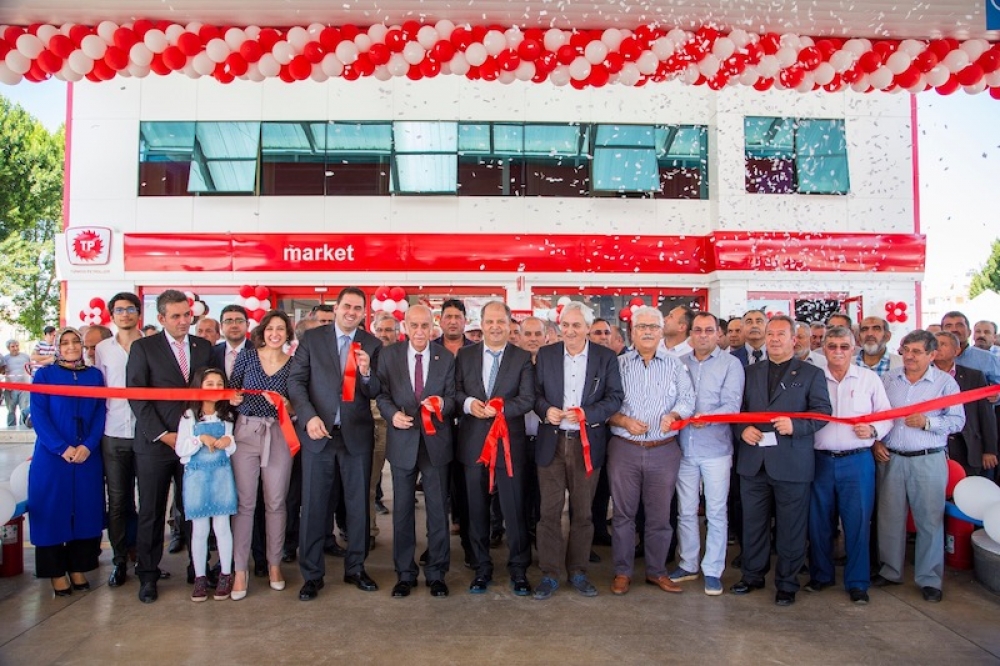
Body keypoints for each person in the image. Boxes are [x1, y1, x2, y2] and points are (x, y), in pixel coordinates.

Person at [731, 315, 832, 606]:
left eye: (780, 334)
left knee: (791, 528)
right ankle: (752, 575)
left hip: (791, 462)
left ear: (793, 340)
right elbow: (736, 409)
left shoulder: (811, 373)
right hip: (753, 461)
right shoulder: (749, 372)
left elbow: (822, 412)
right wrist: (742, 429)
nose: (774, 339)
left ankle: (787, 583)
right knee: (753, 524)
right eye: (770, 334)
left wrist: (796, 426)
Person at [288, 287, 382, 601]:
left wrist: (367, 374)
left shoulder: (372, 343)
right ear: (337, 307)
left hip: (356, 437)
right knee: (314, 506)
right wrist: (308, 417)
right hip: (319, 435)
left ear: (363, 313)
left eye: (358, 308)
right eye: (347, 306)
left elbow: (377, 390)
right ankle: (312, 575)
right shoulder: (313, 339)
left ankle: (356, 568)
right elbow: (296, 381)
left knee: (358, 506)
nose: (351, 312)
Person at [127, 289, 214, 603]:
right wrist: (164, 434)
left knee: (194, 509)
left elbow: (210, 392)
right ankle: (148, 575)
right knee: (151, 511)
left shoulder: (204, 347)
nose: (182, 321)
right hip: (156, 444)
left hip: (194, 443)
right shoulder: (144, 347)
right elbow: (137, 396)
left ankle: (198, 569)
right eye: (175, 316)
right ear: (161, 318)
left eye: (186, 315)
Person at [532, 302, 623, 600]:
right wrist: (545, 410)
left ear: (587, 327)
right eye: (565, 325)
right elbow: (535, 394)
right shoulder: (546, 354)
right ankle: (549, 573)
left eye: (576, 325)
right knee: (548, 512)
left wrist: (588, 413)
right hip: (552, 442)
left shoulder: (605, 358)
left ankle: (578, 571)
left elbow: (615, 398)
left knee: (583, 513)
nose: (570, 331)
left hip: (587, 442)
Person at [607, 306, 695, 596]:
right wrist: (623, 420)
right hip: (625, 449)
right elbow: (605, 403)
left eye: (653, 327)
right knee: (623, 515)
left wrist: (675, 415)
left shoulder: (674, 364)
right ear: (632, 332)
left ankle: (657, 571)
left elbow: (688, 399)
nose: (647, 332)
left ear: (661, 331)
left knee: (659, 516)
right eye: (641, 327)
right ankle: (623, 571)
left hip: (663, 450)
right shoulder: (618, 364)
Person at [873, 329, 965, 603]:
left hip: (928, 459)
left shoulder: (945, 384)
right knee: (889, 519)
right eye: (906, 350)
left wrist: (928, 422)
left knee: (929, 521)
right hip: (891, 458)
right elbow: (877, 415)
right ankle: (890, 571)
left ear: (932, 355)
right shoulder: (889, 379)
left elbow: (957, 421)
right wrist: (876, 441)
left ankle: (929, 579)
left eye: (916, 352)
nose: (909, 356)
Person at [806, 326, 893, 605]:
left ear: (853, 349)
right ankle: (821, 575)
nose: (838, 352)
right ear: (824, 349)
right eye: (832, 346)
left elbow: (886, 415)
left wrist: (874, 430)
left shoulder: (868, 379)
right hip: (819, 460)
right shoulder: (813, 378)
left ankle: (857, 582)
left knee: (858, 523)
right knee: (818, 522)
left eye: (844, 346)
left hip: (857, 461)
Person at [455, 300, 536, 595]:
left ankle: (519, 569)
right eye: (489, 321)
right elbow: (455, 391)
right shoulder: (465, 355)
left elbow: (527, 398)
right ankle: (481, 567)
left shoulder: (521, 357)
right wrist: (469, 404)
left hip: (509, 445)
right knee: (476, 509)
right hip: (473, 443)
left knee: (514, 510)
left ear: (510, 323)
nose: (495, 327)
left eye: (501, 321)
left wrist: (501, 408)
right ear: (481, 324)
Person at [377, 304, 456, 598]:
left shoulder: (445, 357)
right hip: (403, 441)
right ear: (405, 327)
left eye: (425, 325)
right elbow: (381, 394)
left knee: (437, 511)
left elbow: (453, 398)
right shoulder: (389, 356)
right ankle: (405, 574)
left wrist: (442, 404)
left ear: (432, 327)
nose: (420, 331)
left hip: (436, 444)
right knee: (402, 512)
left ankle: (437, 574)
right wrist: (391, 414)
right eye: (414, 325)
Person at [27, 327, 106, 596]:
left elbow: (100, 413)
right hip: (53, 456)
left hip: (86, 456)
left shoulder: (94, 376)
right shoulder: (44, 375)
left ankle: (78, 567)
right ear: (57, 347)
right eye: (65, 342)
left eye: (75, 342)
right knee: (52, 511)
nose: (71, 346)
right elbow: (39, 415)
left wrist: (88, 445)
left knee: (85, 511)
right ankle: (56, 573)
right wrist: (61, 447)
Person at [670, 312, 744, 596]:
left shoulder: (731, 364)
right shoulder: (678, 363)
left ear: (717, 334)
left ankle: (713, 570)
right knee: (686, 511)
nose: (703, 335)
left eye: (709, 330)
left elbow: (732, 406)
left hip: (716, 450)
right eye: (698, 330)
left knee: (716, 512)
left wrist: (708, 418)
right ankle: (688, 564)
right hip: (684, 449)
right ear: (690, 334)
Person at [228, 311, 296, 599]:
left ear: (288, 333)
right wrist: (232, 397)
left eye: (281, 329)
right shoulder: (247, 356)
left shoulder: (294, 363)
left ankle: (274, 565)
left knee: (276, 502)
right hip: (246, 432)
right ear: (262, 331)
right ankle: (240, 569)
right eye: (270, 328)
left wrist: (286, 404)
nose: (275, 333)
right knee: (245, 503)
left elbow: (297, 404)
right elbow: (231, 390)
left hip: (279, 433)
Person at [175, 368, 237, 601]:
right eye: (209, 383)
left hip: (221, 476)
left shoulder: (226, 416)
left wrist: (227, 441)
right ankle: (200, 576)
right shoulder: (188, 416)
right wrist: (199, 439)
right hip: (197, 479)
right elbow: (181, 449)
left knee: (222, 527)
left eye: (220, 384)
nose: (215, 388)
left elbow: (231, 447)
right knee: (200, 529)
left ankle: (225, 574)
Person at [94, 292, 143, 588]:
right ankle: (120, 560)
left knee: (148, 501)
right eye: (119, 310)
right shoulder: (102, 349)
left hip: (146, 433)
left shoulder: (150, 344)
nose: (125, 314)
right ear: (112, 315)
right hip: (113, 433)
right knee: (118, 502)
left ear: (139, 313)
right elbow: (98, 389)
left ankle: (145, 559)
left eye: (130, 309)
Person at [933, 331, 998, 478]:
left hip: (967, 446)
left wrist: (990, 450)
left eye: (943, 344)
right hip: (933, 446)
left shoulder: (974, 376)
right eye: (934, 344)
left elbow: (985, 415)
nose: (937, 348)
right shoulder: (922, 375)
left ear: (956, 351)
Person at [942, 311, 1000, 385]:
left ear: (969, 332)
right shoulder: (933, 359)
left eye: (959, 325)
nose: (954, 329)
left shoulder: (989, 359)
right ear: (941, 333)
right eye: (948, 326)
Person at [212, 305, 249, 382]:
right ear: (221, 326)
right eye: (228, 321)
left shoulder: (258, 352)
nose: (234, 325)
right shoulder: (212, 352)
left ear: (247, 325)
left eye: (239, 321)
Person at [2, 340, 32, 427]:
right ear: (8, 348)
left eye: (17, 346)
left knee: (24, 409)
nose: (15, 348)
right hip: (10, 389)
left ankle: (23, 428)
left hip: (24, 387)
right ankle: (11, 428)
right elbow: (2, 372)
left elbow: (31, 369)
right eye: (13, 346)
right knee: (11, 410)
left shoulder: (26, 356)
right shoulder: (5, 358)